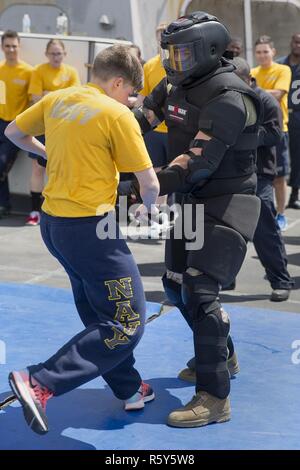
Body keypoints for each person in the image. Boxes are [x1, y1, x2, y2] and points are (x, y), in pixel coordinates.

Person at [5, 44, 159, 435]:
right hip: (91, 230)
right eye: (130, 93)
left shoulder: (58, 99)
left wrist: (48, 155)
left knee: (98, 310)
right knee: (126, 323)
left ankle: (128, 386)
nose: (132, 101)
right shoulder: (115, 113)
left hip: (54, 227)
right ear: (119, 82)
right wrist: (148, 207)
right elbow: (149, 181)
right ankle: (40, 381)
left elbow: (13, 132)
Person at [133, 11, 262, 428]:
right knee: (174, 284)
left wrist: (133, 186)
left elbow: (197, 163)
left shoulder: (229, 96)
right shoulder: (173, 83)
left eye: (183, 53)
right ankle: (222, 351)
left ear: (208, 50)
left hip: (228, 199)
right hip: (190, 199)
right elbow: (137, 123)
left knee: (201, 290)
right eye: (169, 52)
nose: (174, 61)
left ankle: (214, 397)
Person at [26, 39, 80, 226]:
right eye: (53, 53)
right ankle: (34, 210)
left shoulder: (71, 72)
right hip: (42, 126)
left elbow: (75, 99)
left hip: (65, 127)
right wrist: (59, 96)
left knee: (62, 168)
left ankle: (58, 209)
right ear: (47, 54)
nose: (56, 57)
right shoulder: (38, 71)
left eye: (59, 53)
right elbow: (35, 99)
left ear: (64, 54)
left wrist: (48, 94)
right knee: (38, 168)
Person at [252, 36, 292, 231]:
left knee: (279, 177)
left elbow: (280, 93)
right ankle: (261, 216)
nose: (262, 55)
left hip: (279, 131)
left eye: (265, 51)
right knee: (259, 176)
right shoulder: (252, 72)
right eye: (258, 52)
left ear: (273, 52)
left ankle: (281, 214)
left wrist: (255, 91)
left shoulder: (283, 70)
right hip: (258, 132)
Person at [0, 30, 32, 218]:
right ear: (2, 47)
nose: (11, 49)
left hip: (15, 127)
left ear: (19, 47)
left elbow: (33, 101)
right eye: (7, 46)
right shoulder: (0, 69)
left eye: (14, 46)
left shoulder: (28, 72)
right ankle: (4, 204)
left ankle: (4, 203)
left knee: (1, 164)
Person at [278, 33, 300, 209]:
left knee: (298, 156)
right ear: (291, 42)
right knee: (281, 156)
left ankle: (294, 194)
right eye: (296, 41)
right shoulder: (279, 64)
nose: (298, 44)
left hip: (299, 114)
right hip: (282, 114)